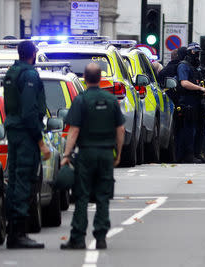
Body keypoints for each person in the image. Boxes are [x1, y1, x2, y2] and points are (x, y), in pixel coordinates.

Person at [60, 63, 125, 250]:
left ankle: (78, 238)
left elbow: (74, 130)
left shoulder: (81, 100)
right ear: (100, 78)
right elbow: (120, 129)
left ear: (85, 78)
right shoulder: (111, 100)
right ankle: (101, 236)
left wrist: (67, 154)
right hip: (106, 153)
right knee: (103, 195)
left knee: (81, 195)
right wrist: (118, 153)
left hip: (86, 153)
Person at [3, 40, 51, 249]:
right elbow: (30, 111)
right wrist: (40, 141)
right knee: (23, 180)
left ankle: (12, 229)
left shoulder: (11, 73)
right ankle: (19, 233)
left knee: (14, 180)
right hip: (25, 134)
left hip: (13, 131)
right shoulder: (30, 75)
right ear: (33, 55)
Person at [175, 43, 205, 163]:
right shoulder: (183, 66)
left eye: (199, 53)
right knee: (189, 130)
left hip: (197, 102)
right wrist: (200, 88)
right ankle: (188, 155)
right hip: (187, 101)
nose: (197, 56)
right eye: (196, 53)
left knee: (200, 128)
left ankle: (196, 153)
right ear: (190, 53)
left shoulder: (196, 67)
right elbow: (184, 83)